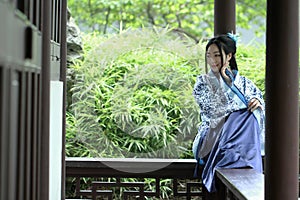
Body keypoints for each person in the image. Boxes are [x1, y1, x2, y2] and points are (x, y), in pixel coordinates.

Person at [192, 33, 265, 194]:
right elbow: (214, 112)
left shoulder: (245, 82)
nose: (212, 60)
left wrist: (256, 104)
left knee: (248, 115)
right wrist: (227, 86)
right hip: (213, 138)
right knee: (236, 116)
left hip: (243, 140)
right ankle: (233, 156)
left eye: (217, 55)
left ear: (229, 56)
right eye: (209, 56)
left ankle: (239, 157)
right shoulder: (202, 83)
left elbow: (260, 111)